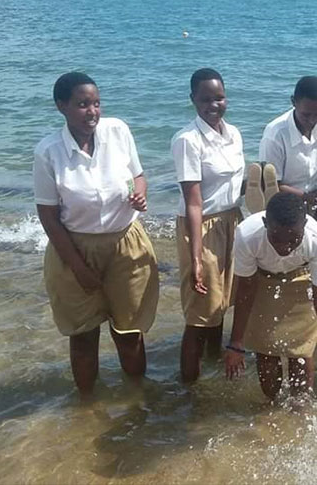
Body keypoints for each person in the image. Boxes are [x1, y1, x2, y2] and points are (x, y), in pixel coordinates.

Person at [33, 72, 159, 396]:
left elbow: (138, 175)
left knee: (129, 332)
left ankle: (137, 401)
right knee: (84, 335)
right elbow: (48, 216)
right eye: (82, 104)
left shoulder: (118, 131)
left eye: (96, 103)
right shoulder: (48, 152)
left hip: (126, 242)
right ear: (61, 106)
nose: (92, 111)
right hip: (74, 247)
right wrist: (77, 266)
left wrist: (139, 194)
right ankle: (86, 409)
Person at [224, 192, 317, 400]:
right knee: (266, 352)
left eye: (293, 240)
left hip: (301, 274)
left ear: (305, 225)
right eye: (276, 238)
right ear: (265, 223)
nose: (284, 247)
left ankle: (299, 410)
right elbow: (245, 289)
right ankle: (271, 410)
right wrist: (236, 343)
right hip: (261, 278)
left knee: (300, 352)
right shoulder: (247, 236)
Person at [173, 68, 245, 383]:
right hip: (200, 225)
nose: (214, 105)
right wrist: (196, 256)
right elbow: (193, 201)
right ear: (193, 100)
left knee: (221, 305)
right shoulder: (187, 140)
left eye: (219, 97)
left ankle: (214, 370)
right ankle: (188, 388)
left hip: (233, 222)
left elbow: (238, 186)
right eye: (205, 99)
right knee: (200, 312)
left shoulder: (234, 134)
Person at [259, 76, 317, 290]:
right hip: (286, 210)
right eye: (306, 114)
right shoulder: (275, 133)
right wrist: (314, 199)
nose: (313, 120)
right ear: (293, 102)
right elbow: (271, 184)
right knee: (292, 271)